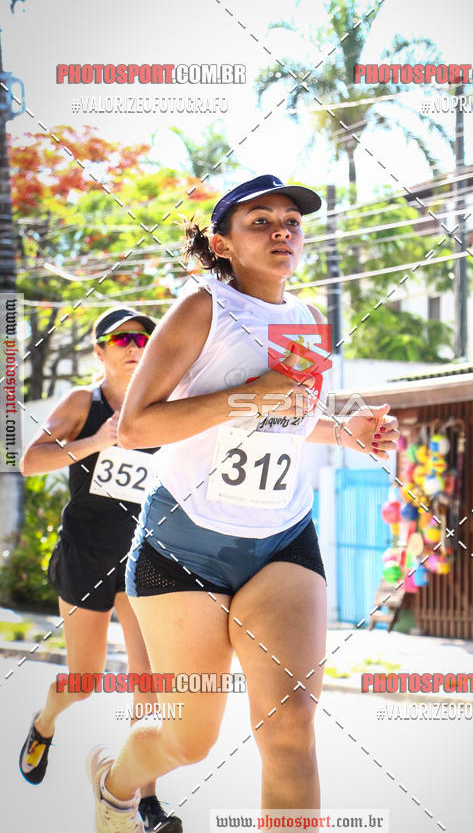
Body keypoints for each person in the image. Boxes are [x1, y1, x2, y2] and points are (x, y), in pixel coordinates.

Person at [86, 175, 400, 833]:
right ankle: (116, 785)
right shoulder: (202, 308)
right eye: (262, 221)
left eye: (292, 220)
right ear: (224, 244)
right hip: (184, 547)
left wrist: (349, 433)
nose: (283, 229)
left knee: (290, 729)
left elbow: (286, 420)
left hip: (283, 540)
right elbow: (137, 426)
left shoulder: (311, 320)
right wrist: (248, 396)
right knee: (188, 741)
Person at [18, 306, 183, 833]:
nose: (135, 345)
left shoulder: (166, 404)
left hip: (143, 557)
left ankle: (144, 799)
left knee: (149, 681)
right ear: (100, 350)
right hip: (86, 554)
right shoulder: (80, 403)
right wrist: (97, 440)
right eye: (121, 338)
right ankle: (44, 724)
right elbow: (29, 460)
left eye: (144, 337)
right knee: (85, 679)